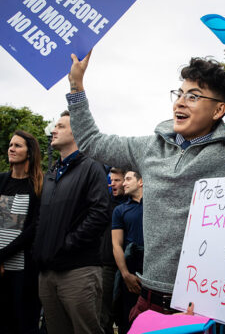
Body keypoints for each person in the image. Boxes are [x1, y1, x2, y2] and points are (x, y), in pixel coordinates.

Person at [65, 48, 225, 318]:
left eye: (193, 96)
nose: (180, 102)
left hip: (205, 306)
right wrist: (76, 86)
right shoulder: (148, 148)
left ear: (218, 110)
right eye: (179, 94)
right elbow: (90, 141)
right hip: (149, 300)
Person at [33, 111, 110, 334]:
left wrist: (66, 244)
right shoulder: (52, 171)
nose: (53, 130)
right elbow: (42, 216)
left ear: (76, 131)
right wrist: (40, 248)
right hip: (47, 271)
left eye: (60, 126)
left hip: (78, 271)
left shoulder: (92, 167)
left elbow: (99, 213)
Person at [0, 130, 43, 334]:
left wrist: (2, 256)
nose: (11, 148)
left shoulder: (38, 186)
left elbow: (33, 229)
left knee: (23, 324)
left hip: (23, 270)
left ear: (30, 152)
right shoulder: (1, 180)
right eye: (10, 145)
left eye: (18, 145)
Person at [112, 171, 144, 333]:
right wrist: (125, 275)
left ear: (141, 182)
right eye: (123, 180)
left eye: (128, 179)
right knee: (129, 320)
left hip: (152, 269)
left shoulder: (155, 205)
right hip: (130, 270)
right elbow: (116, 244)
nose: (124, 183)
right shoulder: (120, 210)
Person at [101, 167, 128, 334]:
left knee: (125, 313)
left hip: (128, 266)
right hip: (106, 264)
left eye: (117, 180)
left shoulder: (133, 205)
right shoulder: (103, 202)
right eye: (110, 180)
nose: (112, 184)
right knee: (104, 313)